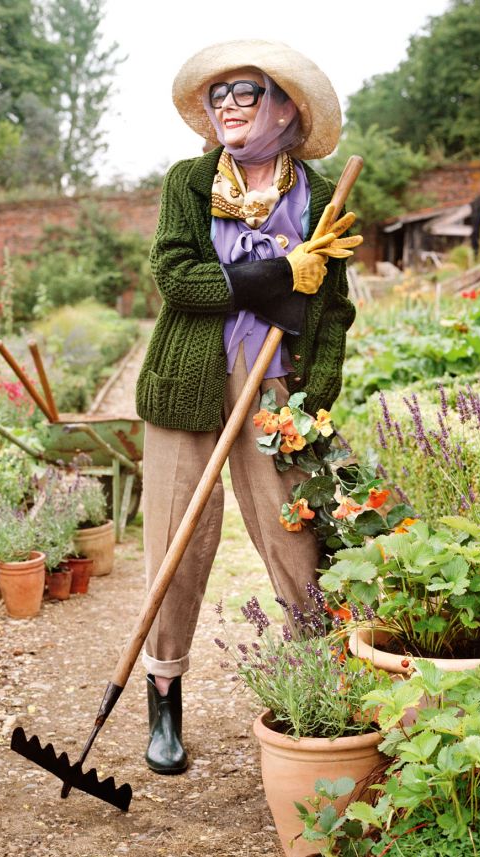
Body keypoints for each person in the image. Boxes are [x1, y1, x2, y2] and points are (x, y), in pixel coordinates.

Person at [133, 40, 360, 774]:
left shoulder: (320, 200)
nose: (227, 105)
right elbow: (181, 278)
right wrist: (275, 272)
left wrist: (312, 398)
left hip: (275, 387)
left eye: (246, 92)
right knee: (177, 538)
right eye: (218, 95)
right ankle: (163, 698)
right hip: (188, 382)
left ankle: (318, 685)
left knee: (294, 538)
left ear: (286, 108)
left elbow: (332, 309)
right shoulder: (189, 183)